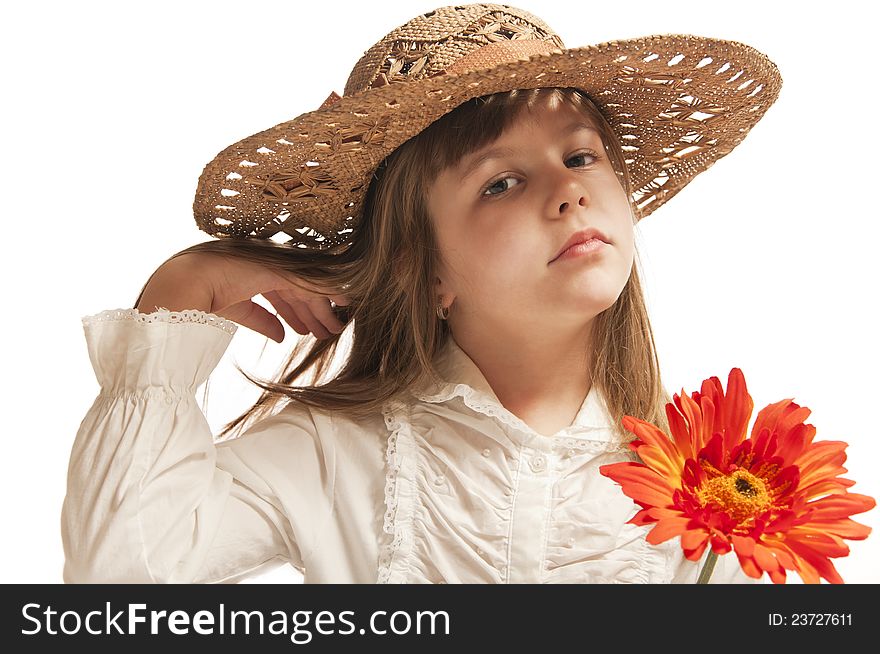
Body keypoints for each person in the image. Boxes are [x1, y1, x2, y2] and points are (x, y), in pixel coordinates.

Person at [62, 3, 782, 583]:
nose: (568, 191)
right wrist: (179, 292)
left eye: (581, 155)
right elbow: (120, 580)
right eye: (501, 182)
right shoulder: (333, 454)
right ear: (426, 269)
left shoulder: (715, 486)